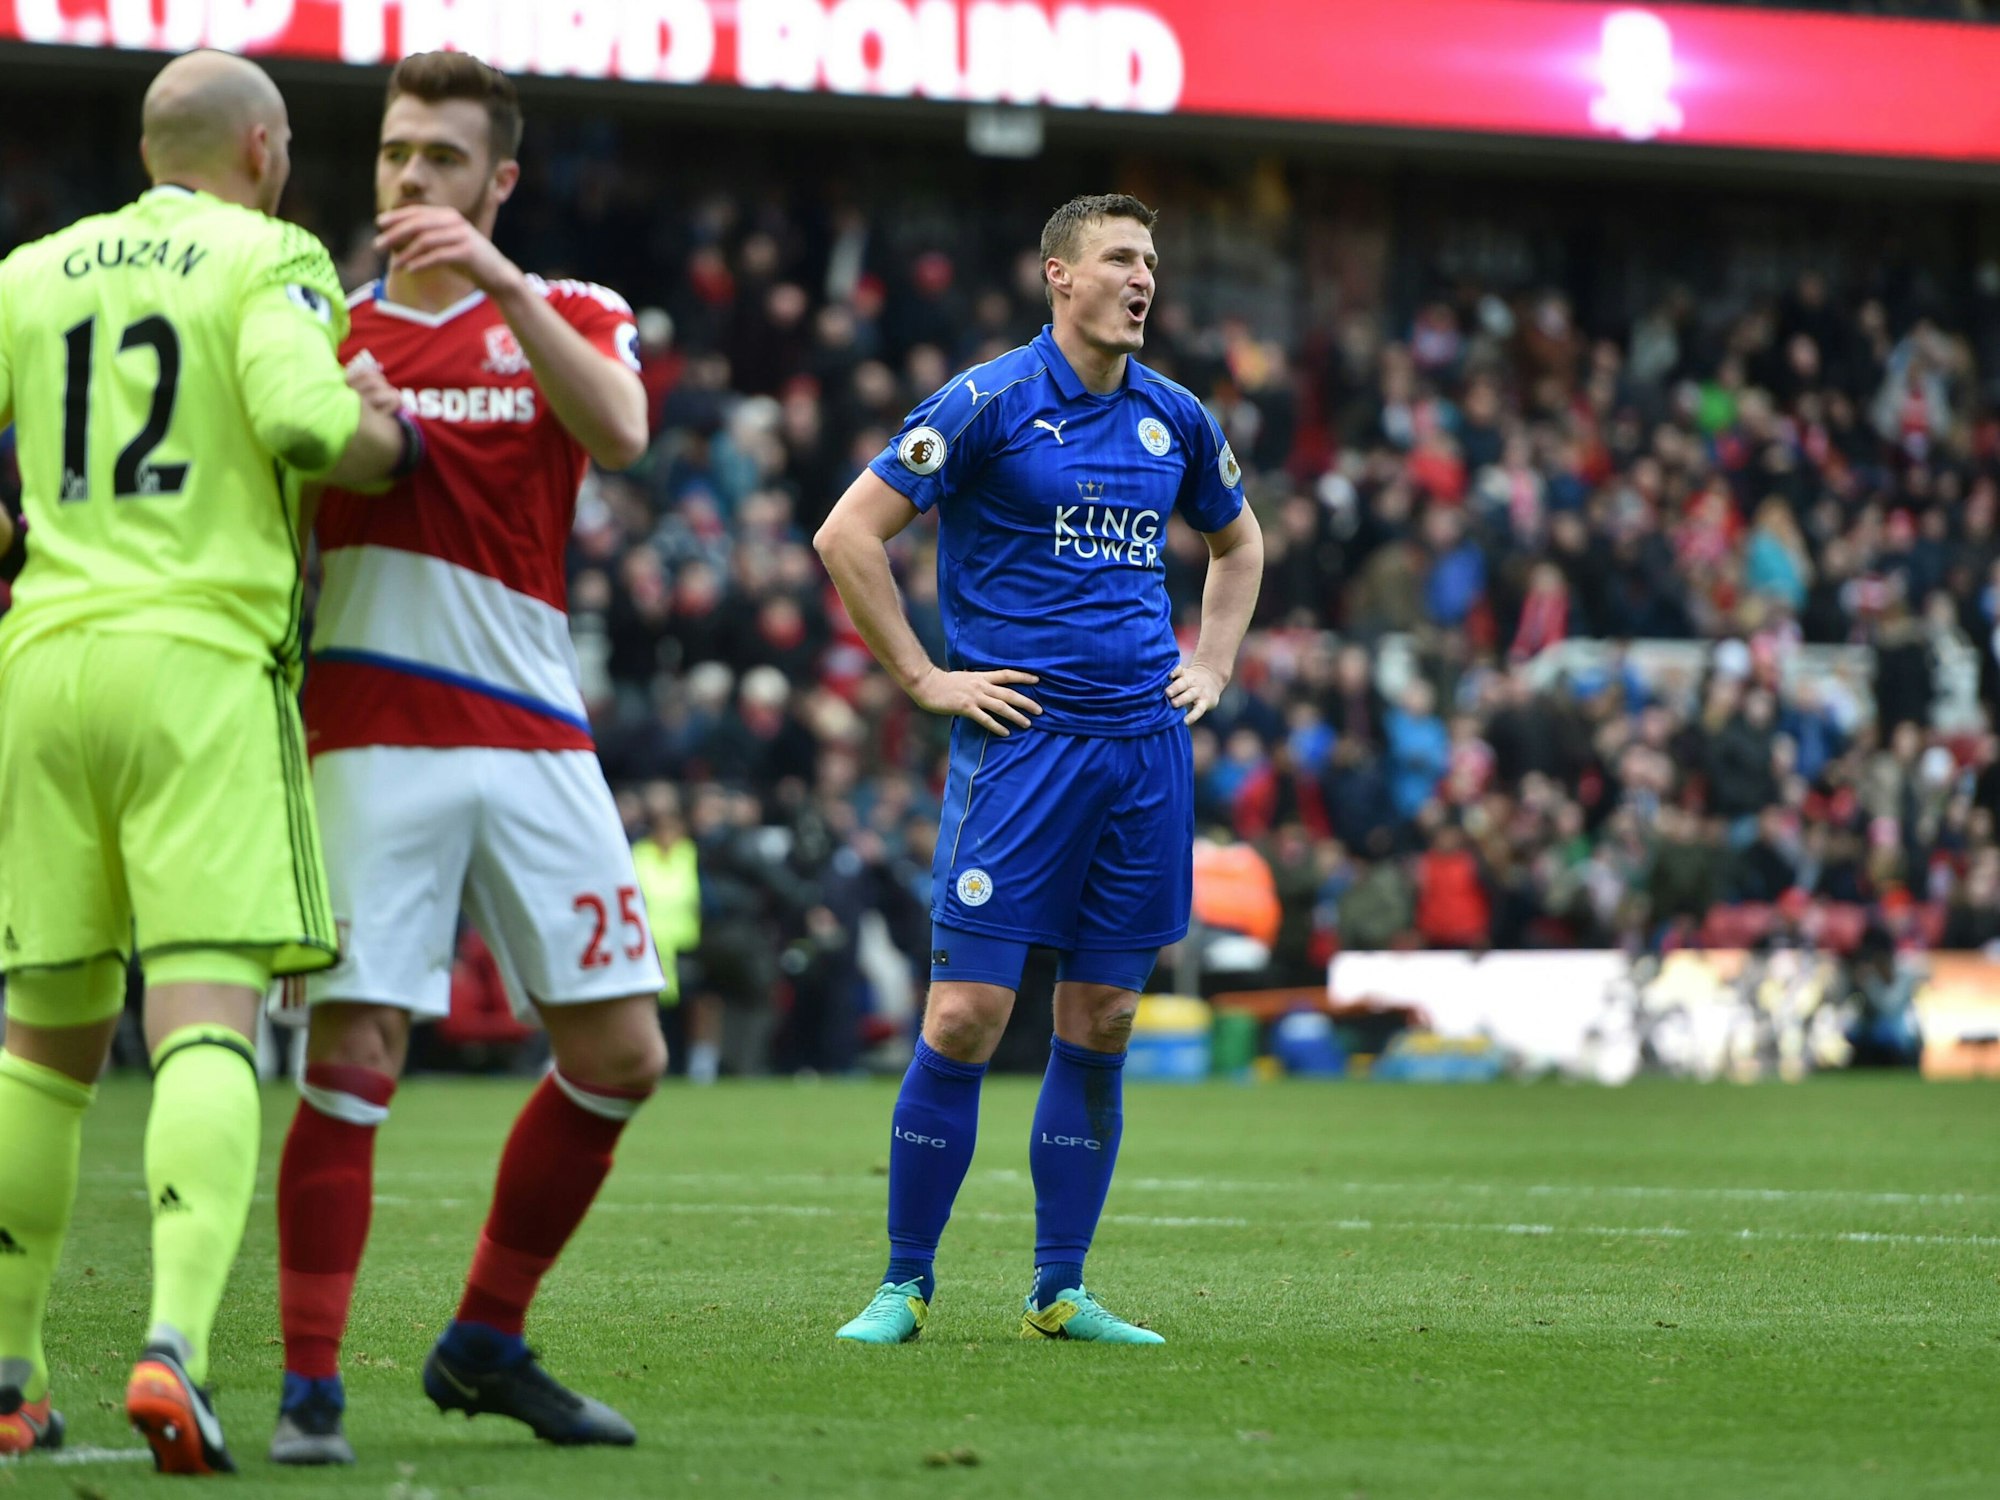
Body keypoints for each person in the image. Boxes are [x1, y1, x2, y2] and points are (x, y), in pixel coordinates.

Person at [0, 50, 420, 1474]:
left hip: (45, 662)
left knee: (43, 1045)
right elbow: (312, 426)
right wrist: (392, 430)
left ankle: (11, 1372)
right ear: (257, 147)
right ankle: (172, 1347)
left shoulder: (34, 269)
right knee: (202, 1025)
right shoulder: (273, 254)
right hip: (199, 670)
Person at [268, 52, 664, 1465]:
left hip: (538, 732)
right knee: (356, 1048)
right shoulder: (320, 331)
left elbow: (620, 432)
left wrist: (498, 285)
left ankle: (484, 1339)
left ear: (497, 181)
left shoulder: (571, 312)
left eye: (441, 157)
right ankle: (311, 1390)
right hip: (372, 733)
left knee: (623, 1054)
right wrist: (345, 417)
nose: (410, 180)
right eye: (392, 154)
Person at [814, 193, 1263, 1345]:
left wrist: (1208, 664)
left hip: (1142, 755)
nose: (1140, 278)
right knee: (964, 1014)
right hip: (1021, 751)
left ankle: (1058, 1290)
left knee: (1105, 1012)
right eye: (1118, 258)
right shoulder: (986, 403)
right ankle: (903, 1284)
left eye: (1149, 261)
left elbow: (1238, 540)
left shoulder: (1174, 418)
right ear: (1056, 276)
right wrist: (922, 679)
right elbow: (846, 533)